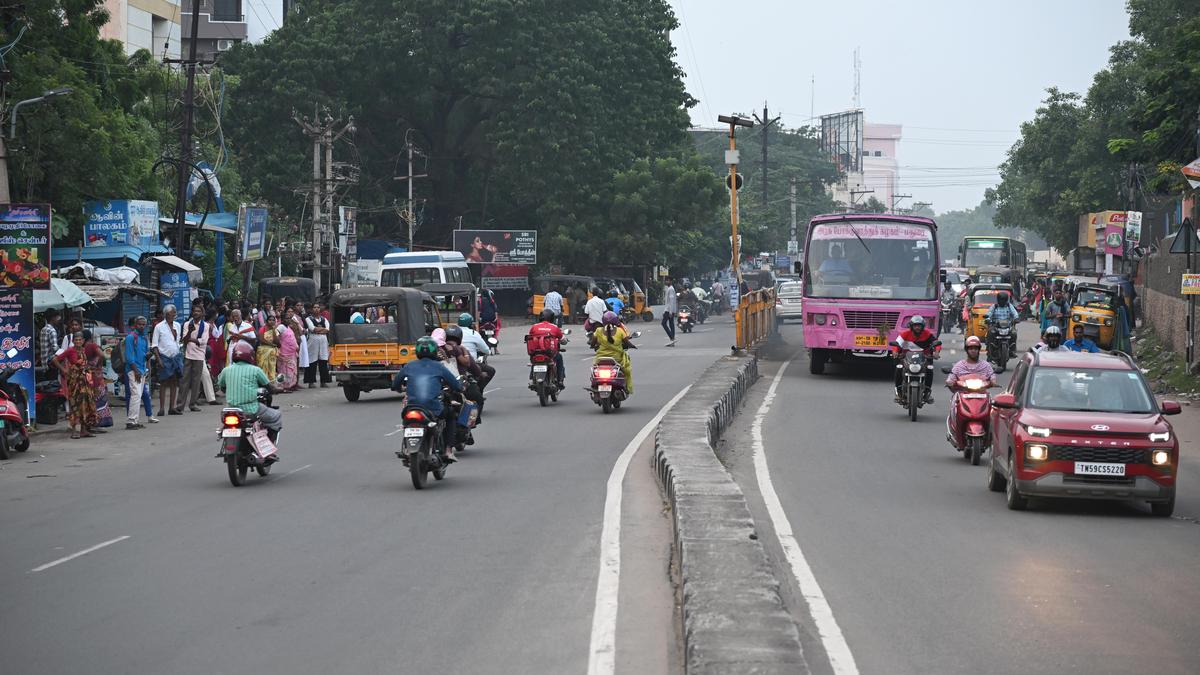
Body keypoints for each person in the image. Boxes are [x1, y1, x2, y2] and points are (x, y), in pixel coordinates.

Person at [392, 336, 465, 461]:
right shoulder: (439, 366)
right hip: (433, 408)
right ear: (434, 351)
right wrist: (460, 387)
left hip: (411, 408)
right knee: (451, 414)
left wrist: (400, 389)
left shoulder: (409, 366)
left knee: (406, 424)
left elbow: (395, 385)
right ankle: (448, 450)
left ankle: (406, 448)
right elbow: (456, 385)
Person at [218, 342, 283, 441]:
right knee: (276, 416)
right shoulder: (256, 370)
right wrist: (279, 389)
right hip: (251, 409)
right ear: (250, 356)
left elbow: (222, 388)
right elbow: (270, 388)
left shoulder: (226, 370)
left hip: (231, 410)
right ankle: (267, 447)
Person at [52, 331, 101, 439]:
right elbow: (55, 360)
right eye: (76, 340)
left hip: (85, 381)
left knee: (86, 404)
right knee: (75, 405)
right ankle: (75, 431)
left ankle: (84, 430)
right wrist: (64, 370)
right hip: (74, 382)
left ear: (83, 341)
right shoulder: (70, 350)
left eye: (80, 340)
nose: (78, 342)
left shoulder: (83, 350)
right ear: (73, 341)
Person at [891, 315, 940, 404]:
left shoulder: (927, 334)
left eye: (919, 325)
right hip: (906, 357)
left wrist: (936, 352)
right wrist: (895, 352)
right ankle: (899, 392)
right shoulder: (904, 334)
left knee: (929, 369)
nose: (917, 327)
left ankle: (927, 393)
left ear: (922, 326)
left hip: (924, 358)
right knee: (898, 368)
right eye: (915, 325)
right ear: (911, 326)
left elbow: (936, 343)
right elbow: (897, 344)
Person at [176, 304, 210, 413]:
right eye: (195, 311)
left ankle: (193, 403)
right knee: (184, 381)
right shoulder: (187, 324)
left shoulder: (205, 326)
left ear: (202, 313)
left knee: (196, 381)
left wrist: (191, 339)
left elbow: (203, 341)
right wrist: (190, 333)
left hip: (199, 355)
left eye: (199, 311)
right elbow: (184, 340)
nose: (196, 313)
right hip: (188, 354)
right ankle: (180, 405)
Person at [591, 310, 635, 394]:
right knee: (627, 370)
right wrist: (632, 346)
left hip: (600, 359)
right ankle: (627, 389)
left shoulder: (598, 330)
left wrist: (594, 345)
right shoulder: (619, 331)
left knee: (594, 371)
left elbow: (592, 343)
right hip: (617, 358)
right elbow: (627, 343)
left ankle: (594, 385)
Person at [152, 304, 182, 416]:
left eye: (174, 313)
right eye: (171, 313)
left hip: (175, 356)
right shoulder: (159, 327)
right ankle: (161, 408)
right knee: (164, 382)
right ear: (166, 314)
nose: (174, 315)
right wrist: (159, 360)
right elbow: (154, 345)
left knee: (174, 381)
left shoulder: (178, 325)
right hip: (164, 356)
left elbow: (178, 341)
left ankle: (172, 407)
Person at [526, 308, 566, 388]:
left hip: (535, 352)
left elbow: (530, 337)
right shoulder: (554, 327)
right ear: (552, 318)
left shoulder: (534, 327)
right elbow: (563, 340)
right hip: (549, 353)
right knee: (559, 358)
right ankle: (560, 380)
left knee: (533, 360)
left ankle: (532, 376)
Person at [457, 313, 495, 388]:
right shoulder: (473, 333)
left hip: (454, 363)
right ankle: (479, 389)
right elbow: (485, 350)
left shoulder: (454, 331)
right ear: (470, 323)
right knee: (491, 371)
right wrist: (489, 351)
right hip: (470, 363)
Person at [305, 302, 332, 387]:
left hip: (323, 340)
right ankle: (311, 382)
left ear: (320, 309)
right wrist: (321, 329)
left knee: (323, 361)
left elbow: (328, 329)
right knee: (312, 361)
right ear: (312, 309)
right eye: (314, 307)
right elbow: (312, 328)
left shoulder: (324, 319)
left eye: (318, 307)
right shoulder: (308, 319)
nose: (316, 309)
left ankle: (323, 381)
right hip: (313, 340)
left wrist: (319, 329)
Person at [277, 308, 301, 392]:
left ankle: (291, 385)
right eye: (286, 318)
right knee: (283, 370)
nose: (288, 320)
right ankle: (283, 387)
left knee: (291, 370)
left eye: (289, 318)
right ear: (282, 319)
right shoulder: (281, 327)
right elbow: (275, 335)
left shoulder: (289, 327)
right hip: (284, 353)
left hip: (292, 353)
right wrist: (278, 345)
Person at [257, 314, 280, 381]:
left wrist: (273, 330)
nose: (272, 321)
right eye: (270, 320)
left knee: (272, 367)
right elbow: (261, 339)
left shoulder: (274, 330)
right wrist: (271, 344)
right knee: (263, 367)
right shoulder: (262, 328)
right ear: (266, 321)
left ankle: (271, 382)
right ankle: (263, 383)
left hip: (272, 352)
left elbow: (276, 341)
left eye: (273, 320)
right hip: (263, 350)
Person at [661, 276, 677, 346]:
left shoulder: (670, 289)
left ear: (670, 281)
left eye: (667, 280)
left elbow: (671, 301)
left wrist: (670, 311)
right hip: (670, 309)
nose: (666, 282)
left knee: (663, 323)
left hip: (669, 310)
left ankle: (672, 337)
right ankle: (672, 341)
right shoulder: (670, 289)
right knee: (671, 324)